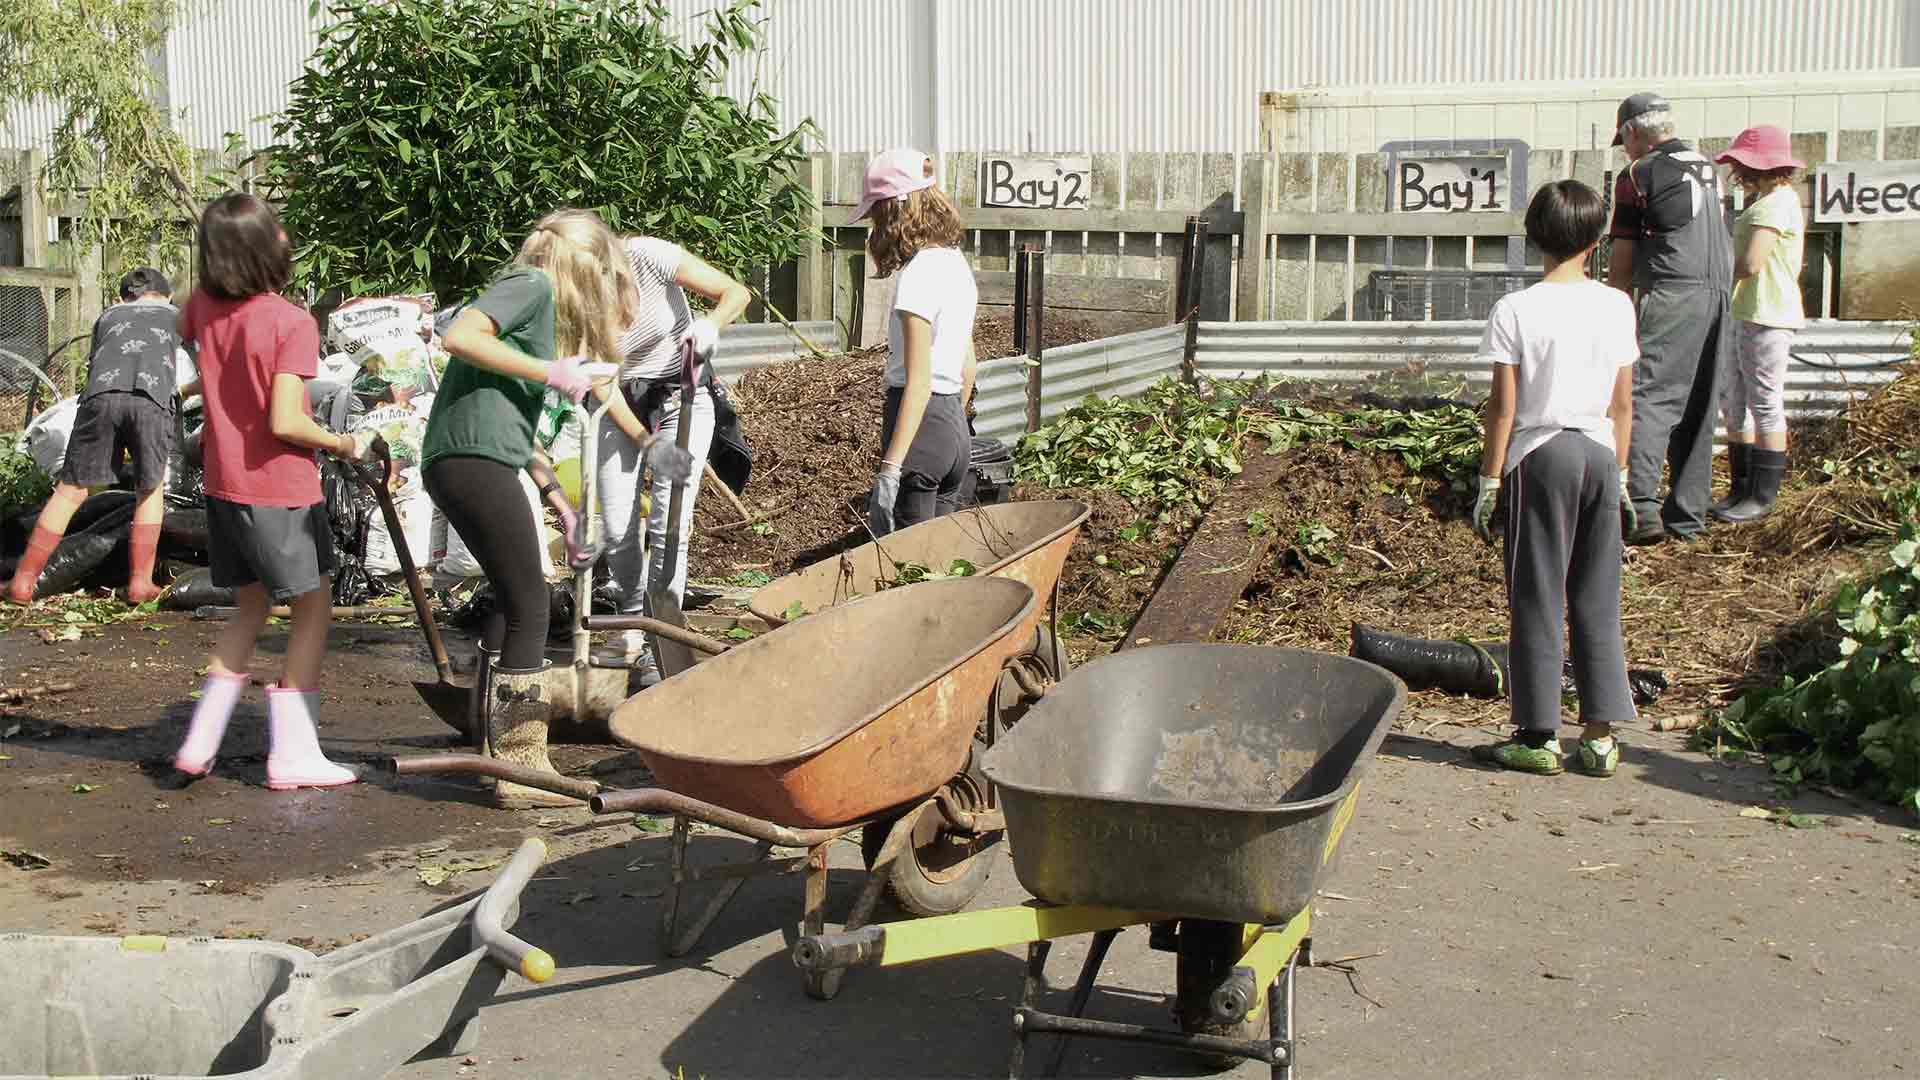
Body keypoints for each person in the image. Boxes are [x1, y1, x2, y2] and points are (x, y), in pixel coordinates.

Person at [425, 208, 685, 807]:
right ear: (586, 266)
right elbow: (460, 335)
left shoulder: (536, 315)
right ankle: (523, 770)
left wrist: (563, 505)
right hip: (471, 460)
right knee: (533, 605)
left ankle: (498, 752)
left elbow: (519, 433)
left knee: (510, 599)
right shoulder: (533, 283)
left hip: (468, 457)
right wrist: (551, 371)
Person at [164, 193, 375, 789]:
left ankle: (198, 744)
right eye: (276, 229)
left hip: (224, 486)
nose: (286, 235)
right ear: (261, 247)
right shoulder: (290, 321)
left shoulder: (202, 305)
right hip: (279, 489)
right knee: (312, 609)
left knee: (251, 607)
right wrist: (345, 444)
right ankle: (294, 755)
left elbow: (181, 329)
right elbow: (287, 421)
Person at [1470, 180, 1638, 778]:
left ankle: (1539, 736)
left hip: (1541, 458)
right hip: (1598, 455)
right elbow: (1623, 405)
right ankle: (1599, 737)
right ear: (1596, 239)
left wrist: (1491, 480)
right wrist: (1619, 473)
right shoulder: (1617, 305)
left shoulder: (1517, 309)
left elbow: (1503, 408)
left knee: (1537, 593)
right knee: (1597, 594)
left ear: (1534, 235)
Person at [593, 232, 751, 678]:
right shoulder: (576, 299)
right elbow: (602, 385)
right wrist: (646, 444)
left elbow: (736, 292)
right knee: (618, 517)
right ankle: (629, 622)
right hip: (617, 399)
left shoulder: (648, 254)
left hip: (682, 391)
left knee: (670, 515)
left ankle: (662, 631)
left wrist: (711, 324)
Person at [6, 268, 183, 606]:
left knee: (71, 490)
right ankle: (140, 583)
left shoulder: (107, 316)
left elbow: (101, 365)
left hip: (99, 399)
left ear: (122, 298)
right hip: (151, 401)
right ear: (168, 296)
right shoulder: (175, 315)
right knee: (149, 490)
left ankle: (24, 581)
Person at [1606, 92, 1734, 545]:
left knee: (1650, 395)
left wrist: (1611, 303)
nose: (1625, 150)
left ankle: (1639, 509)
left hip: (1673, 291)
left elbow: (1622, 251)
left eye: (1623, 141)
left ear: (1631, 132)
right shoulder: (1707, 168)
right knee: (1700, 403)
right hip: (1719, 295)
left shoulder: (1638, 173)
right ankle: (1688, 516)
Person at [855, 147, 979, 538]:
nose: (875, 226)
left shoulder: (919, 274)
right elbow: (967, 364)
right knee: (939, 562)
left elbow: (919, 381)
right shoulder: (955, 264)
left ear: (895, 209)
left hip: (921, 431)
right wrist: (949, 426)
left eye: (876, 213)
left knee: (909, 571)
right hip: (954, 431)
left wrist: (891, 468)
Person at [1710, 125, 1805, 524]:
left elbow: (1751, 263)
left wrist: (1715, 275)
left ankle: (1761, 496)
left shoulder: (1775, 204)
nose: (1737, 171)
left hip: (1766, 313)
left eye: (1742, 164)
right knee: (1736, 401)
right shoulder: (1770, 200)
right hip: (1748, 310)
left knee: (1763, 402)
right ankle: (1742, 488)